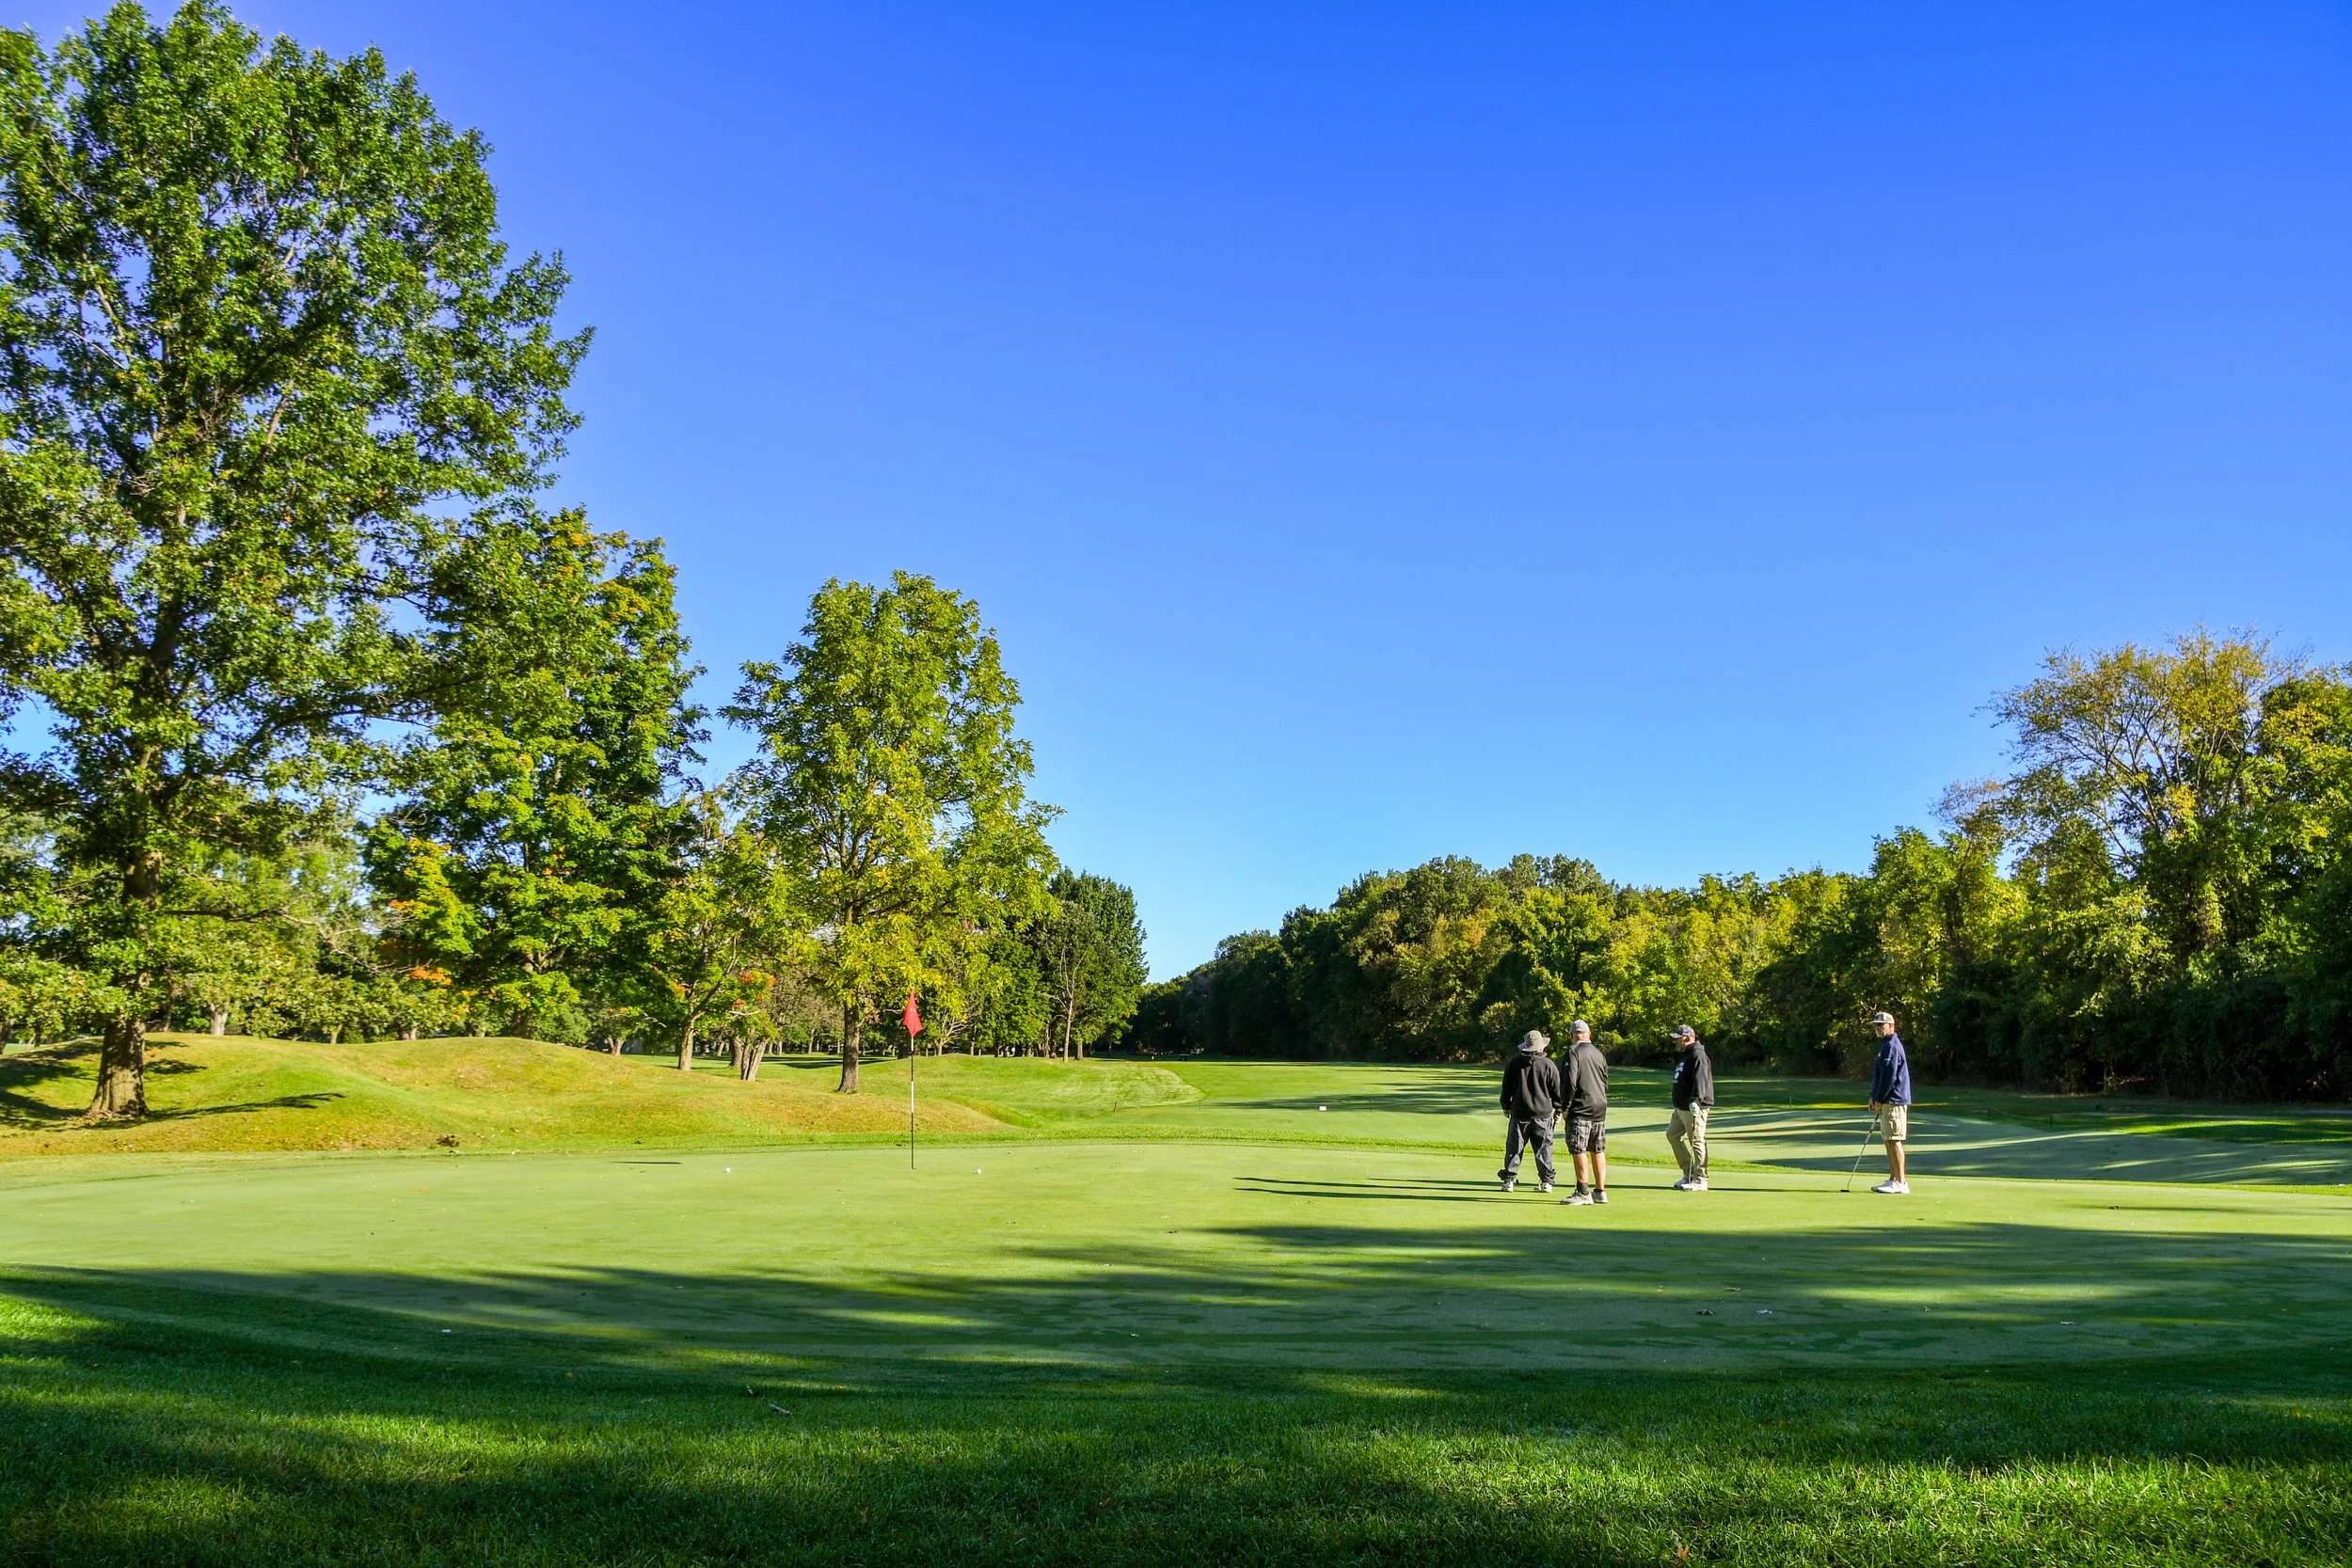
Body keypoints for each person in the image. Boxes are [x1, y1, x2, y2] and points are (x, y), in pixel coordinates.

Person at [1498, 1028, 1563, 1193]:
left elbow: (1506, 1088)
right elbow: (1556, 1090)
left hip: (1519, 1113)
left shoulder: (1514, 1064)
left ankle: (1509, 1181)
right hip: (1542, 1115)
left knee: (1514, 1148)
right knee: (1544, 1148)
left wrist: (1505, 1105)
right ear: (1541, 1047)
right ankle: (1547, 1182)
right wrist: (1559, 1109)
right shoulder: (1549, 1065)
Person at [1559, 1020, 1608, 1206]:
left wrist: (1565, 1106)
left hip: (1581, 1106)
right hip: (1599, 1106)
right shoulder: (1598, 1053)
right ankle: (1600, 1191)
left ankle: (1583, 1191)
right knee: (1598, 1148)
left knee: (1578, 1147)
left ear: (1572, 1035)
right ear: (1589, 1034)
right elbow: (1605, 1080)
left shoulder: (1573, 1052)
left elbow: (1570, 1082)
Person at [1867, 1010, 1912, 1195]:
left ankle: (1901, 1181)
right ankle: (1893, 1178)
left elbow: (1889, 1077)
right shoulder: (1885, 1045)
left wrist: (1878, 1098)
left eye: (1881, 1025)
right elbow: (1879, 1075)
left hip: (1893, 1100)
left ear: (1891, 1026)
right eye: (1876, 1025)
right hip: (1886, 1100)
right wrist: (1873, 1096)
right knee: (1888, 1139)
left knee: (1894, 1140)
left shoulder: (1891, 1046)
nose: (1877, 1028)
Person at [1667, 1023, 1712, 1191]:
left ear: (1687, 1038)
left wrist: (1696, 1100)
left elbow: (1701, 1080)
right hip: (1681, 1108)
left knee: (1697, 1140)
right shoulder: (1686, 1055)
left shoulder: (1697, 1055)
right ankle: (1689, 1173)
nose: (1676, 1042)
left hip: (1694, 1106)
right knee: (1672, 1135)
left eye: (1678, 1039)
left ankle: (1701, 1179)